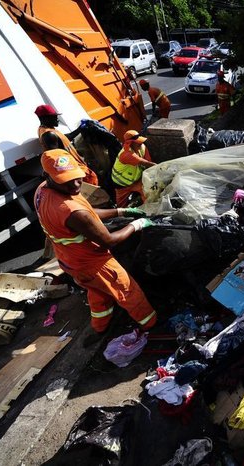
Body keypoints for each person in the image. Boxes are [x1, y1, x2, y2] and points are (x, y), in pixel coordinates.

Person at [34, 133, 157, 336]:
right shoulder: (69, 210)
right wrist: (137, 224)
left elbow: (87, 213)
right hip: (93, 263)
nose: (75, 185)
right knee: (127, 290)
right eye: (67, 181)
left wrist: (121, 211)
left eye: (76, 178)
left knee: (98, 291)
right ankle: (150, 323)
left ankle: (100, 326)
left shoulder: (43, 191)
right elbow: (109, 240)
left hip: (69, 260)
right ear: (48, 176)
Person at [35, 104, 99, 186]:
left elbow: (64, 138)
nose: (57, 119)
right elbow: (59, 162)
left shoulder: (47, 129)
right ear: (45, 118)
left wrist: (79, 129)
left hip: (79, 169)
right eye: (54, 116)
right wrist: (74, 176)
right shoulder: (49, 135)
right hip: (78, 171)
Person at [111, 130, 156, 207]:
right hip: (122, 185)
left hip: (136, 181)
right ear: (130, 143)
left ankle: (148, 210)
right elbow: (147, 163)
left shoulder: (142, 147)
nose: (140, 143)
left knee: (148, 194)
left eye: (140, 141)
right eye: (138, 142)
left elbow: (148, 161)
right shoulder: (126, 154)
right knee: (121, 205)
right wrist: (163, 167)